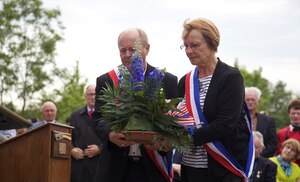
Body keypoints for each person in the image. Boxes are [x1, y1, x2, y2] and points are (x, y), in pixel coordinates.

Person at [93, 28, 179, 182]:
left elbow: (177, 124)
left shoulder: (167, 81)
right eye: (122, 50)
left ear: (147, 48)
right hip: (115, 169)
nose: (127, 55)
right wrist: (110, 135)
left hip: (153, 169)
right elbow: (98, 118)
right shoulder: (106, 80)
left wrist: (166, 142)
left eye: (132, 49)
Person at [176, 17, 254, 182]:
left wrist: (183, 138)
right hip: (191, 168)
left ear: (212, 43)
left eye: (195, 45)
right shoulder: (185, 81)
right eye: (186, 46)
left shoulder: (230, 77)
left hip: (222, 168)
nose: (189, 51)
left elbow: (225, 124)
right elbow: (176, 115)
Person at [69, 84, 102, 182]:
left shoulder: (105, 115)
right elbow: (68, 138)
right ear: (85, 96)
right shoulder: (75, 116)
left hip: (98, 166)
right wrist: (71, 150)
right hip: (78, 166)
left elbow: (112, 139)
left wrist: (100, 149)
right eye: (90, 94)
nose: (93, 97)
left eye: (95, 95)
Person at [245, 86, 277, 157]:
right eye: (247, 100)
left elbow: (273, 144)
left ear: (258, 101)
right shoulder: (237, 119)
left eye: (253, 100)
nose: (250, 102)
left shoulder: (269, 121)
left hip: (261, 161)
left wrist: (258, 156)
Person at [276, 99, 300, 166]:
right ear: (289, 114)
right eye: (293, 113)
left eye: (298, 113)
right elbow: (278, 153)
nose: (296, 116)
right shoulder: (280, 133)